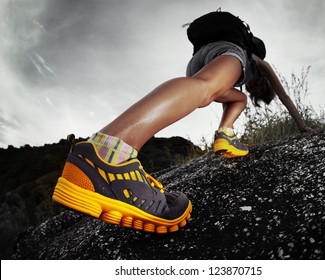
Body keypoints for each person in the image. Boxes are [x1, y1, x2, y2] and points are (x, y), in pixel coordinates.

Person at [52, 10, 311, 234]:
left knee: (234, 97)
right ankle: (108, 152)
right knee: (206, 87)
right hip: (225, 53)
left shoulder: (240, 71)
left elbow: (233, 95)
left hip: (197, 60)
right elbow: (285, 96)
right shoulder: (255, 60)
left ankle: (225, 134)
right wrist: (301, 126)